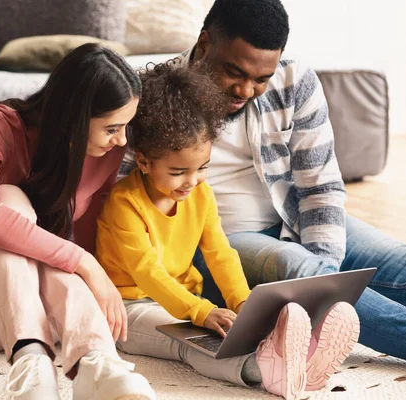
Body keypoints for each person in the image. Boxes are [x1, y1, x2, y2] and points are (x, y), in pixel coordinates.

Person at [120, 0, 406, 371]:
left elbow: (319, 186)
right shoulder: (157, 94)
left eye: (261, 79)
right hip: (217, 243)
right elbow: (128, 196)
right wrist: (319, 280)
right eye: (235, 73)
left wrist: (327, 274)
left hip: (292, 217)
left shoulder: (294, 80)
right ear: (206, 44)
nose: (246, 90)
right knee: (299, 267)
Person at [97, 62, 360, 400]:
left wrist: (244, 303)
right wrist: (201, 311)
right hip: (128, 308)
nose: (191, 182)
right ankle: (265, 372)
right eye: (178, 172)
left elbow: (220, 252)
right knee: (194, 343)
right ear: (145, 162)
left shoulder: (200, 194)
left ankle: (302, 362)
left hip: (183, 296)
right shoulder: (124, 204)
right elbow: (148, 274)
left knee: (233, 327)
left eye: (202, 168)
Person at [0, 43, 156, 400]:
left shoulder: (107, 151)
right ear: (75, 117)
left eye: (125, 126)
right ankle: (32, 366)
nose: (122, 139)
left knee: (52, 244)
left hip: (42, 311)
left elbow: (93, 230)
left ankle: (95, 365)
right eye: (112, 128)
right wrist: (83, 263)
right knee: (8, 199)